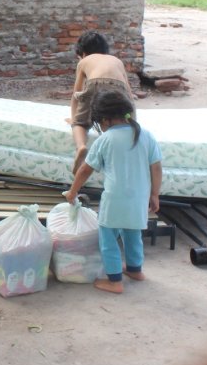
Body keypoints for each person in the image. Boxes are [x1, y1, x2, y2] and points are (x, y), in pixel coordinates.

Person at [63, 89, 162, 294]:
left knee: (108, 239)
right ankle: (135, 270)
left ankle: (115, 281)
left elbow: (85, 169)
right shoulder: (147, 135)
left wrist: (72, 192)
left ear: (104, 119)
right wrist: (154, 194)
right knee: (133, 234)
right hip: (139, 199)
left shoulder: (105, 139)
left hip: (115, 199)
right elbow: (156, 168)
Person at [67, 31, 134, 174]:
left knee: (81, 123)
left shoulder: (84, 61)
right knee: (117, 114)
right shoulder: (117, 61)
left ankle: (81, 147)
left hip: (94, 82)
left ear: (83, 53)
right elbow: (129, 94)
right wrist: (133, 121)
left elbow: (76, 95)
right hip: (118, 85)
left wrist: (75, 119)